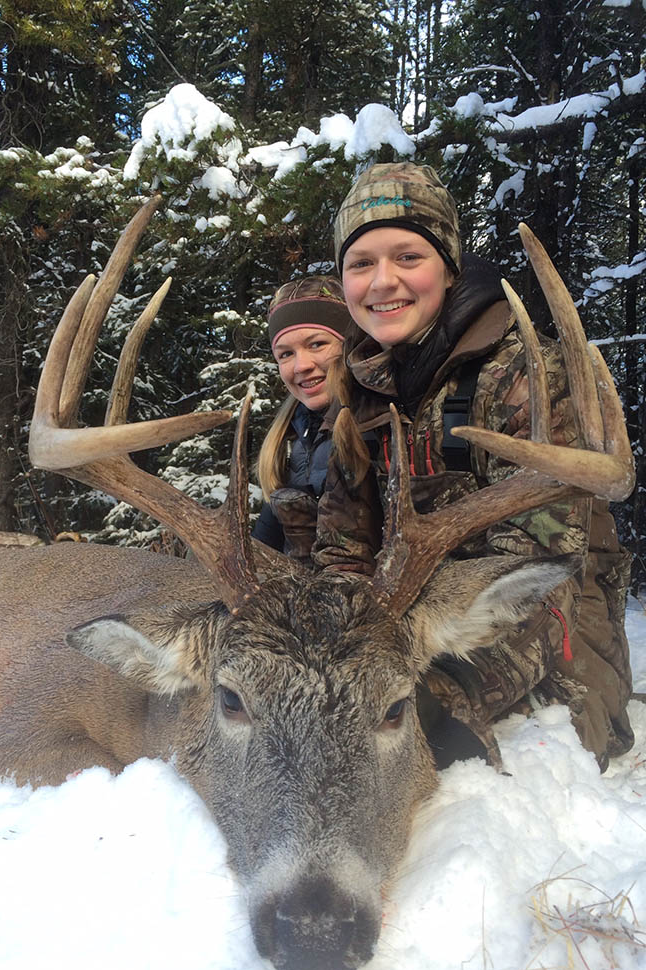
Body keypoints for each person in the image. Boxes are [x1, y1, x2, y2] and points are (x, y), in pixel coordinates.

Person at [309, 162, 633, 770]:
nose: (383, 282)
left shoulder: (527, 375)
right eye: (361, 263)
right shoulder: (360, 390)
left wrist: (440, 698)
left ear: (449, 269)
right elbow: (342, 552)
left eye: (408, 257)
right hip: (398, 647)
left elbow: (545, 575)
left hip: (545, 653)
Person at [253, 277, 351, 562]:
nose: (301, 366)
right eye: (285, 354)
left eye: (317, 344)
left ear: (351, 345)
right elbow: (263, 548)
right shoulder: (293, 438)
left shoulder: (380, 423)